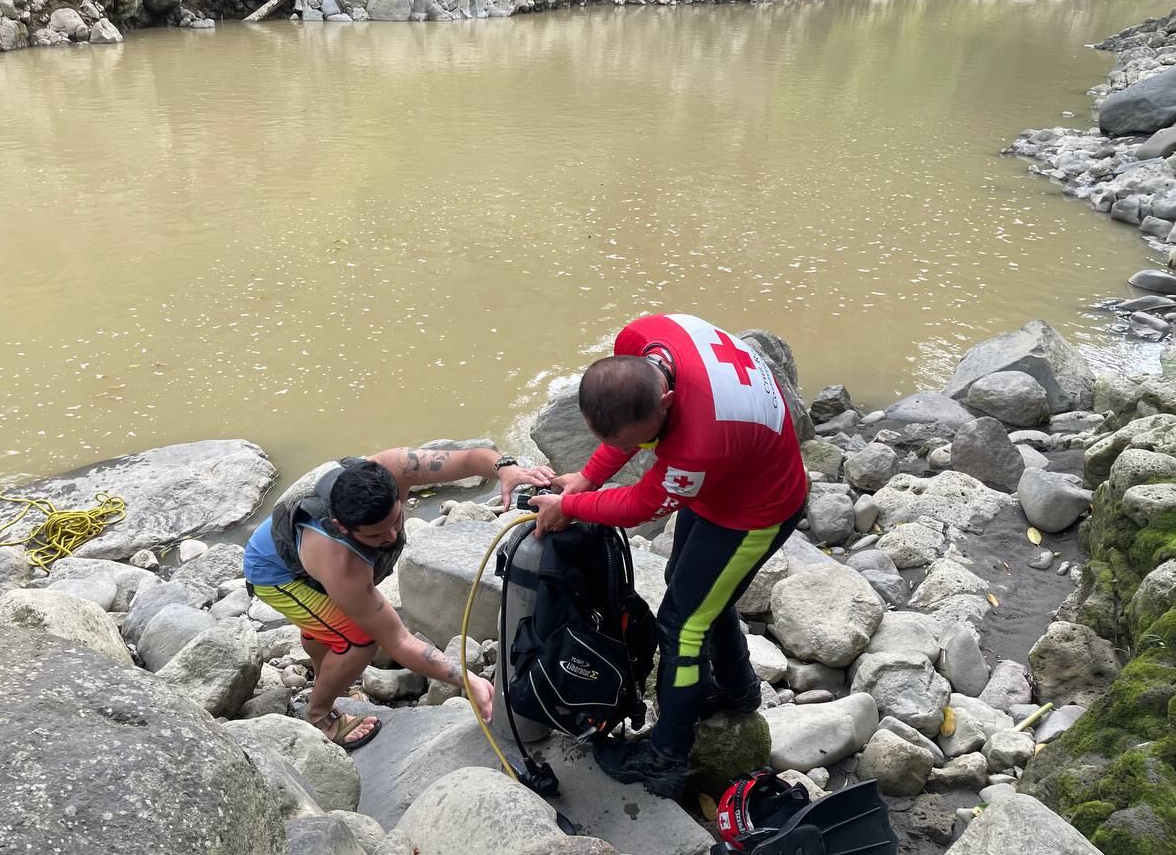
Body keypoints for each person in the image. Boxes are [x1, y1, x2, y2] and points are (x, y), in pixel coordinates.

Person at [529, 313, 808, 799]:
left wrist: (570, 506)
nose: (629, 449)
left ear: (667, 402)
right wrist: (589, 476)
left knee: (683, 624)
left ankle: (666, 757)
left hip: (759, 507)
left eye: (639, 441)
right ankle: (738, 690)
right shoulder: (643, 339)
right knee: (692, 590)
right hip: (726, 481)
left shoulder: (698, 443)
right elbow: (622, 427)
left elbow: (640, 505)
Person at [243, 446, 554, 748]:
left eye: (395, 521)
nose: (391, 537)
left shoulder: (395, 467)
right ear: (342, 527)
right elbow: (397, 641)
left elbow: (470, 458)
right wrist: (469, 681)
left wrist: (505, 467)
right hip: (276, 574)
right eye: (375, 536)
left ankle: (329, 678)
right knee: (360, 639)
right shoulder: (341, 564)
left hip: (299, 553)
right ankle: (318, 715)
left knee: (330, 627)